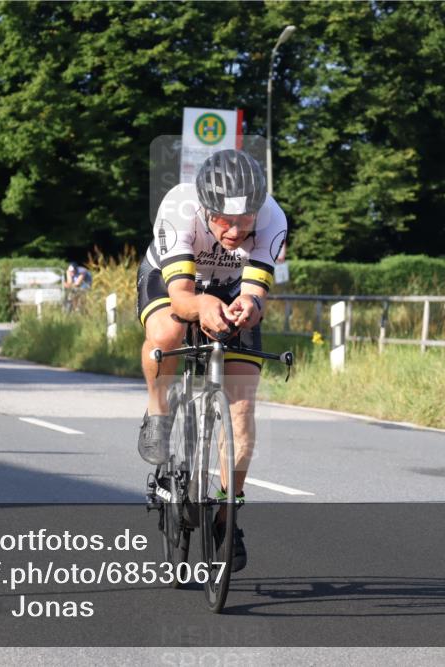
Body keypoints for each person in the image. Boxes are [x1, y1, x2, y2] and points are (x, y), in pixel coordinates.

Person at [136, 149, 287, 572]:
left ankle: (226, 515)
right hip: (174, 281)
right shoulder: (178, 208)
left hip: (233, 287)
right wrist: (201, 307)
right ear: (205, 207)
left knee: (240, 408)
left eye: (245, 220)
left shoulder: (273, 218)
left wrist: (247, 308)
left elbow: (256, 295)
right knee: (166, 334)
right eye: (224, 219)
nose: (236, 231)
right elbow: (183, 296)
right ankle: (158, 409)